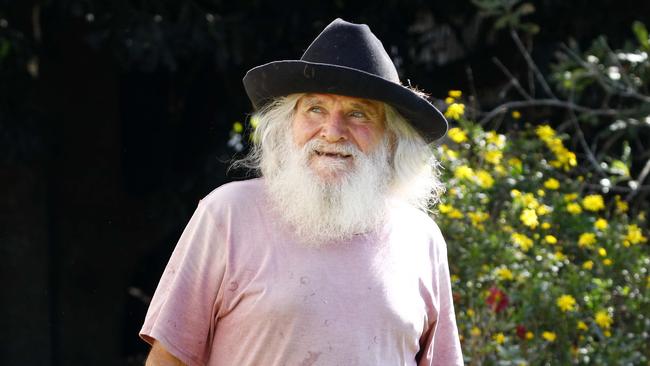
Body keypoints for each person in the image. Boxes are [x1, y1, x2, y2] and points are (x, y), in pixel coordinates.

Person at [140, 18, 463, 365]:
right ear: (288, 123)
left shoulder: (421, 238)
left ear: (391, 138)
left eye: (358, 114)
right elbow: (168, 360)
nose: (333, 131)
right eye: (315, 109)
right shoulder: (228, 213)